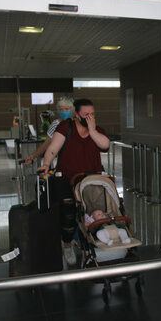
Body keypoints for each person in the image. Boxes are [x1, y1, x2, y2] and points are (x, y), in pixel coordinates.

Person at [38, 98, 110, 266]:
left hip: (91, 179)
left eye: (92, 114)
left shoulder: (97, 130)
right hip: (67, 178)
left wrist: (92, 131)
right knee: (68, 211)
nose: (89, 117)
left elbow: (105, 145)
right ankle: (67, 243)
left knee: (94, 211)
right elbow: (53, 148)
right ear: (76, 114)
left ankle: (89, 245)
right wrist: (46, 165)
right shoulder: (66, 127)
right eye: (85, 114)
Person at [24, 97, 74, 165]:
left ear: (72, 110)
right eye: (61, 109)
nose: (64, 111)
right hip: (64, 161)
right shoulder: (56, 124)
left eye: (66, 109)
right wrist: (32, 156)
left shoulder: (78, 123)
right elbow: (45, 144)